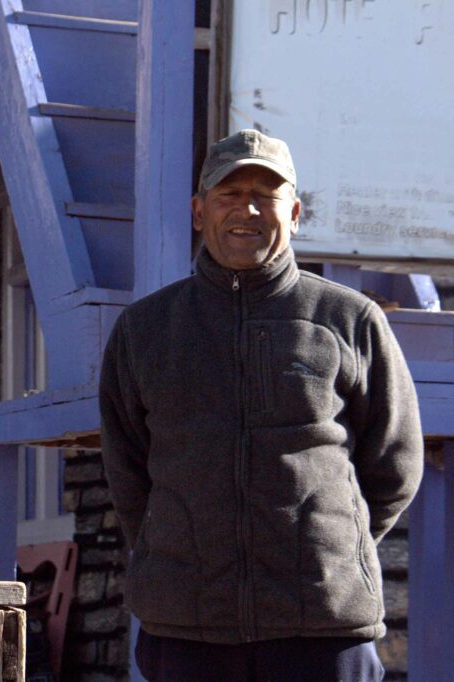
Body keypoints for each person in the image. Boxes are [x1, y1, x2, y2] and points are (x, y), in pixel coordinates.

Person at [100, 129, 423, 681]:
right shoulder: (145, 329)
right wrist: (173, 546)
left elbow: (394, 464)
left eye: (264, 195)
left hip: (323, 632)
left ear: (294, 212)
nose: (246, 209)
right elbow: (127, 470)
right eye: (228, 194)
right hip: (186, 629)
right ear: (199, 212)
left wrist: (331, 547)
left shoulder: (350, 320)